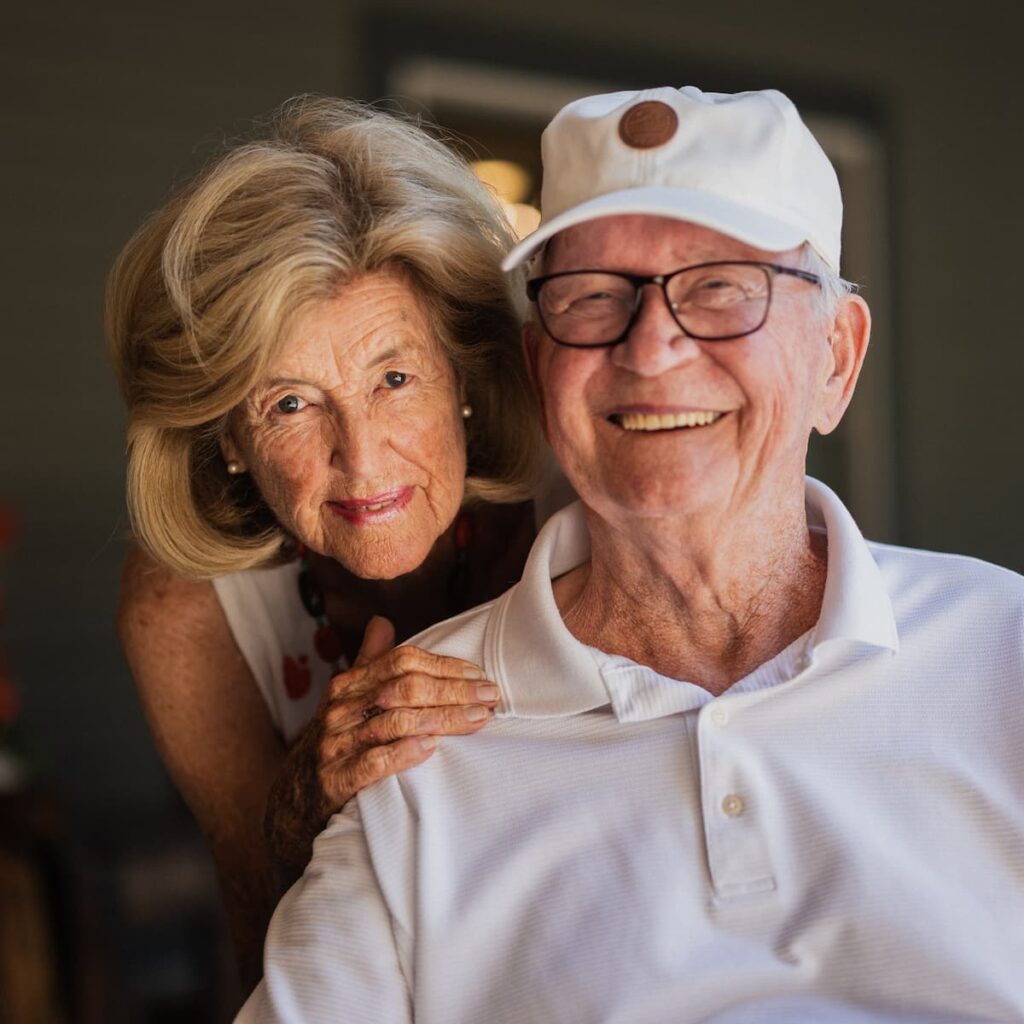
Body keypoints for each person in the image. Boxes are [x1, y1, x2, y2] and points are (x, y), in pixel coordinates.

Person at [240, 86, 1024, 1023]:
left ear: (837, 360)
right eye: (593, 297)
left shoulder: (1004, 653)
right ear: (539, 369)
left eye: (722, 287)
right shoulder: (414, 742)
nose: (651, 349)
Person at [106, 96, 565, 991]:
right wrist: (302, 797)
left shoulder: (575, 517)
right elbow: (259, 926)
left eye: (394, 378)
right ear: (228, 439)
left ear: (464, 377)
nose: (361, 459)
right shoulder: (181, 607)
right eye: (289, 403)